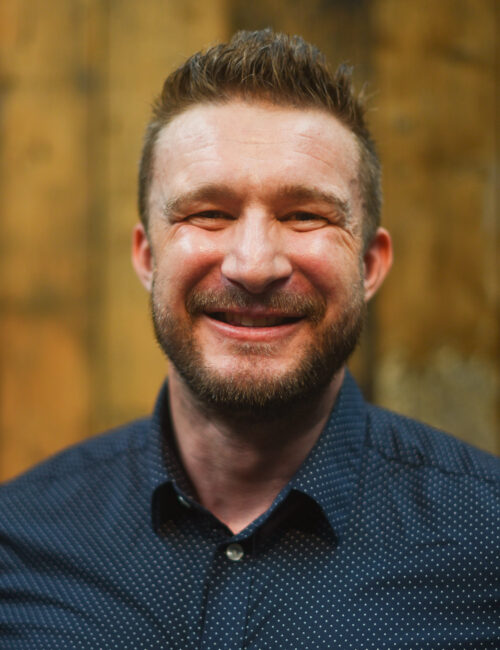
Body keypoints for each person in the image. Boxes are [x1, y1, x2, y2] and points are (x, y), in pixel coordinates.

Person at [1, 29, 498, 649]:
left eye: (305, 216)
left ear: (370, 265)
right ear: (147, 255)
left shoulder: (486, 539)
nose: (254, 264)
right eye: (208, 212)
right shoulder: (17, 539)